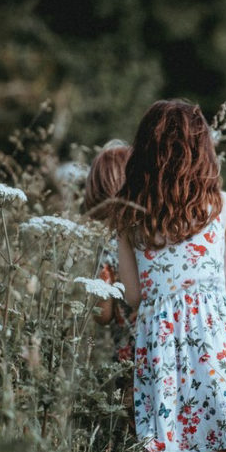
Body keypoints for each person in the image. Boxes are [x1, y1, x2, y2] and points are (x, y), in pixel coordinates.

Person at [110, 100, 226, 452]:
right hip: (215, 337)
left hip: (159, 343)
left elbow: (133, 295)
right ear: (203, 148)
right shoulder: (223, 206)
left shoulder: (128, 216)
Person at [84, 143, 137, 411]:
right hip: (166, 340)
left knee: (138, 433)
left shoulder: (106, 246)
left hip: (129, 355)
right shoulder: (149, 233)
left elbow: (102, 314)